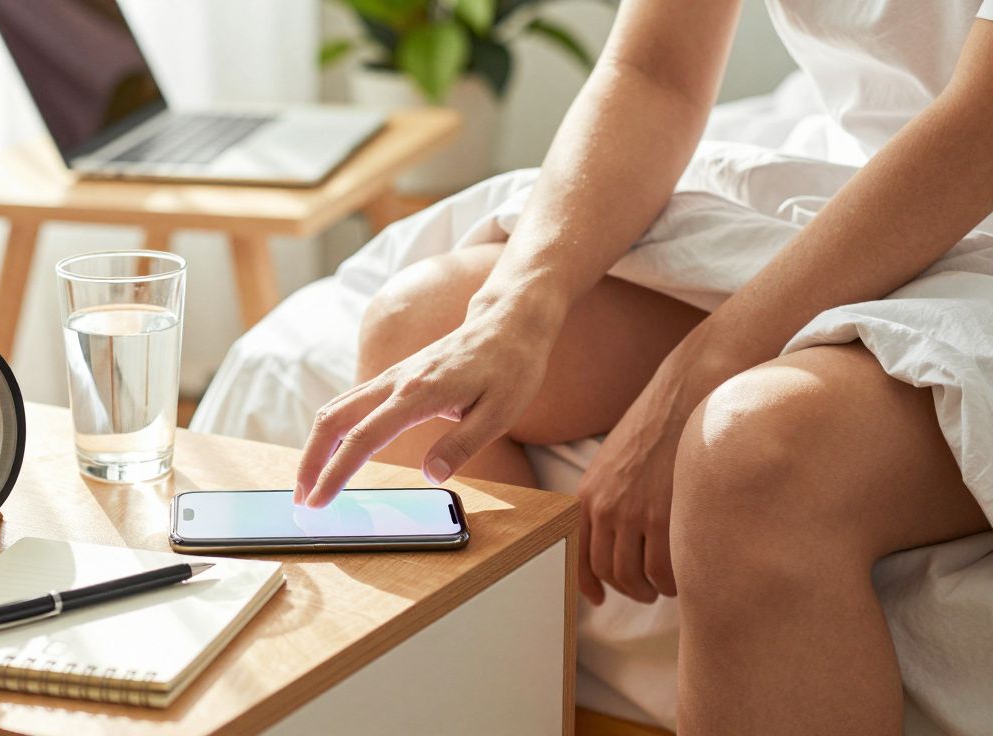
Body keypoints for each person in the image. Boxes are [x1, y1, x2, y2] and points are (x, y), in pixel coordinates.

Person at [291, 0, 993, 732]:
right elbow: (653, 72)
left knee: (750, 452)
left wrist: (694, 381)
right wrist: (518, 304)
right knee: (423, 329)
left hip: (967, 195)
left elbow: (978, 134)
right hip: (851, 196)